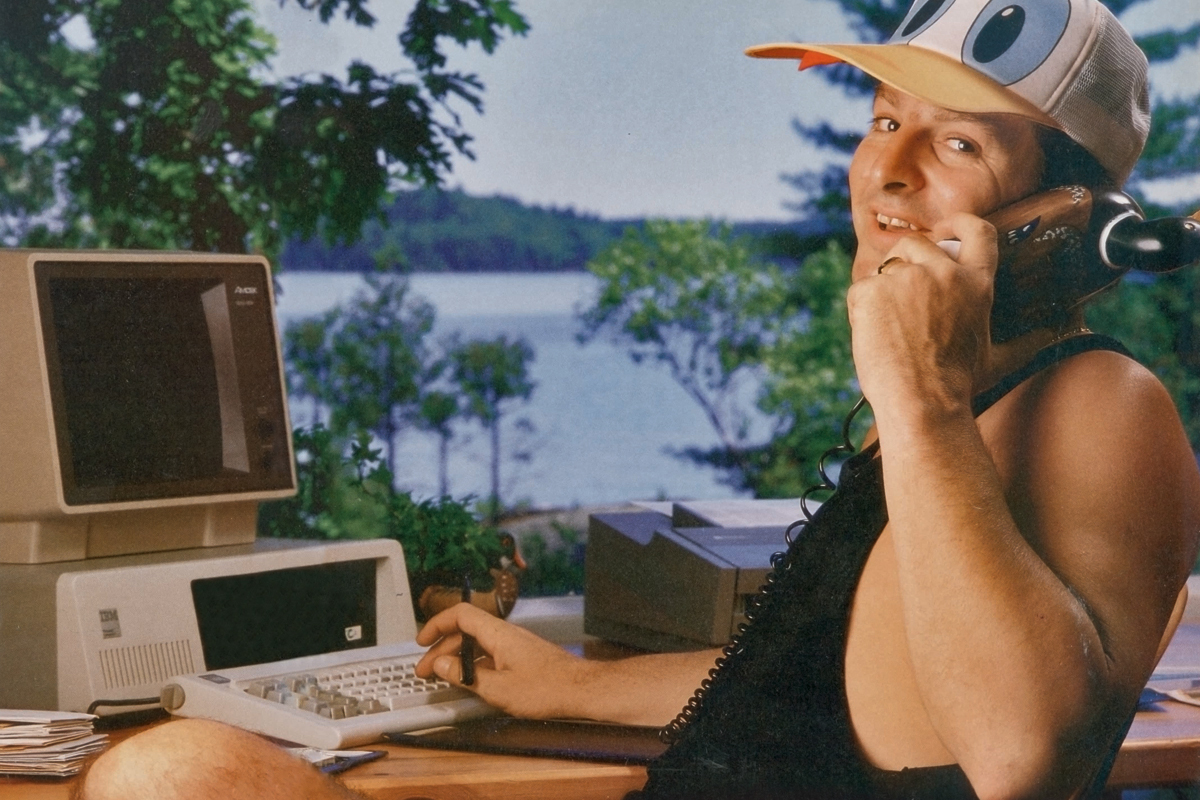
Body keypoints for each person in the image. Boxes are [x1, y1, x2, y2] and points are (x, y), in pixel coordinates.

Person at [78, 0, 1200, 798]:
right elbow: (824, 683)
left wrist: (918, 399)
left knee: (167, 775)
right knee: (172, 771)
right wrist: (574, 681)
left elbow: (1019, 758)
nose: (887, 171)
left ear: (1071, 215)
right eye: (878, 122)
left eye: (954, 140)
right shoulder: (967, 408)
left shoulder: (1103, 407)